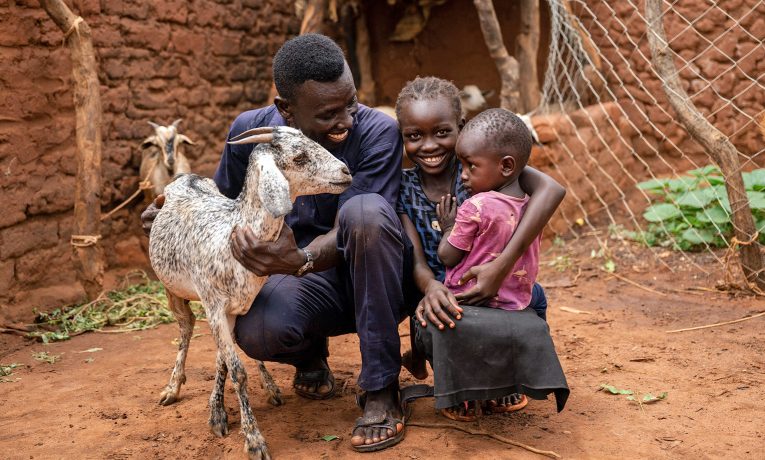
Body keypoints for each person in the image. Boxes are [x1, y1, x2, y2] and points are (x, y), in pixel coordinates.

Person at [143, 33, 418, 452]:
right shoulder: (251, 133)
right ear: (285, 109)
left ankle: (381, 387)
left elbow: (365, 227)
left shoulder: (377, 132)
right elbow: (223, 205)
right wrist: (174, 216)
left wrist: (302, 258)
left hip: (370, 278)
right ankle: (308, 356)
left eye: (351, 102)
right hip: (298, 285)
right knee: (258, 329)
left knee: (365, 214)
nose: (346, 120)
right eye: (328, 113)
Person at [394, 77, 567, 420]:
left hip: (496, 285)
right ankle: (457, 382)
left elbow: (551, 189)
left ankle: (507, 376)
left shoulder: (481, 164)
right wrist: (431, 286)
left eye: (441, 132)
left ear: (460, 128)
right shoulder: (403, 186)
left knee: (531, 297)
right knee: (441, 317)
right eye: (414, 136)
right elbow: (416, 258)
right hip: (441, 287)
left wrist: (501, 266)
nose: (429, 146)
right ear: (402, 136)